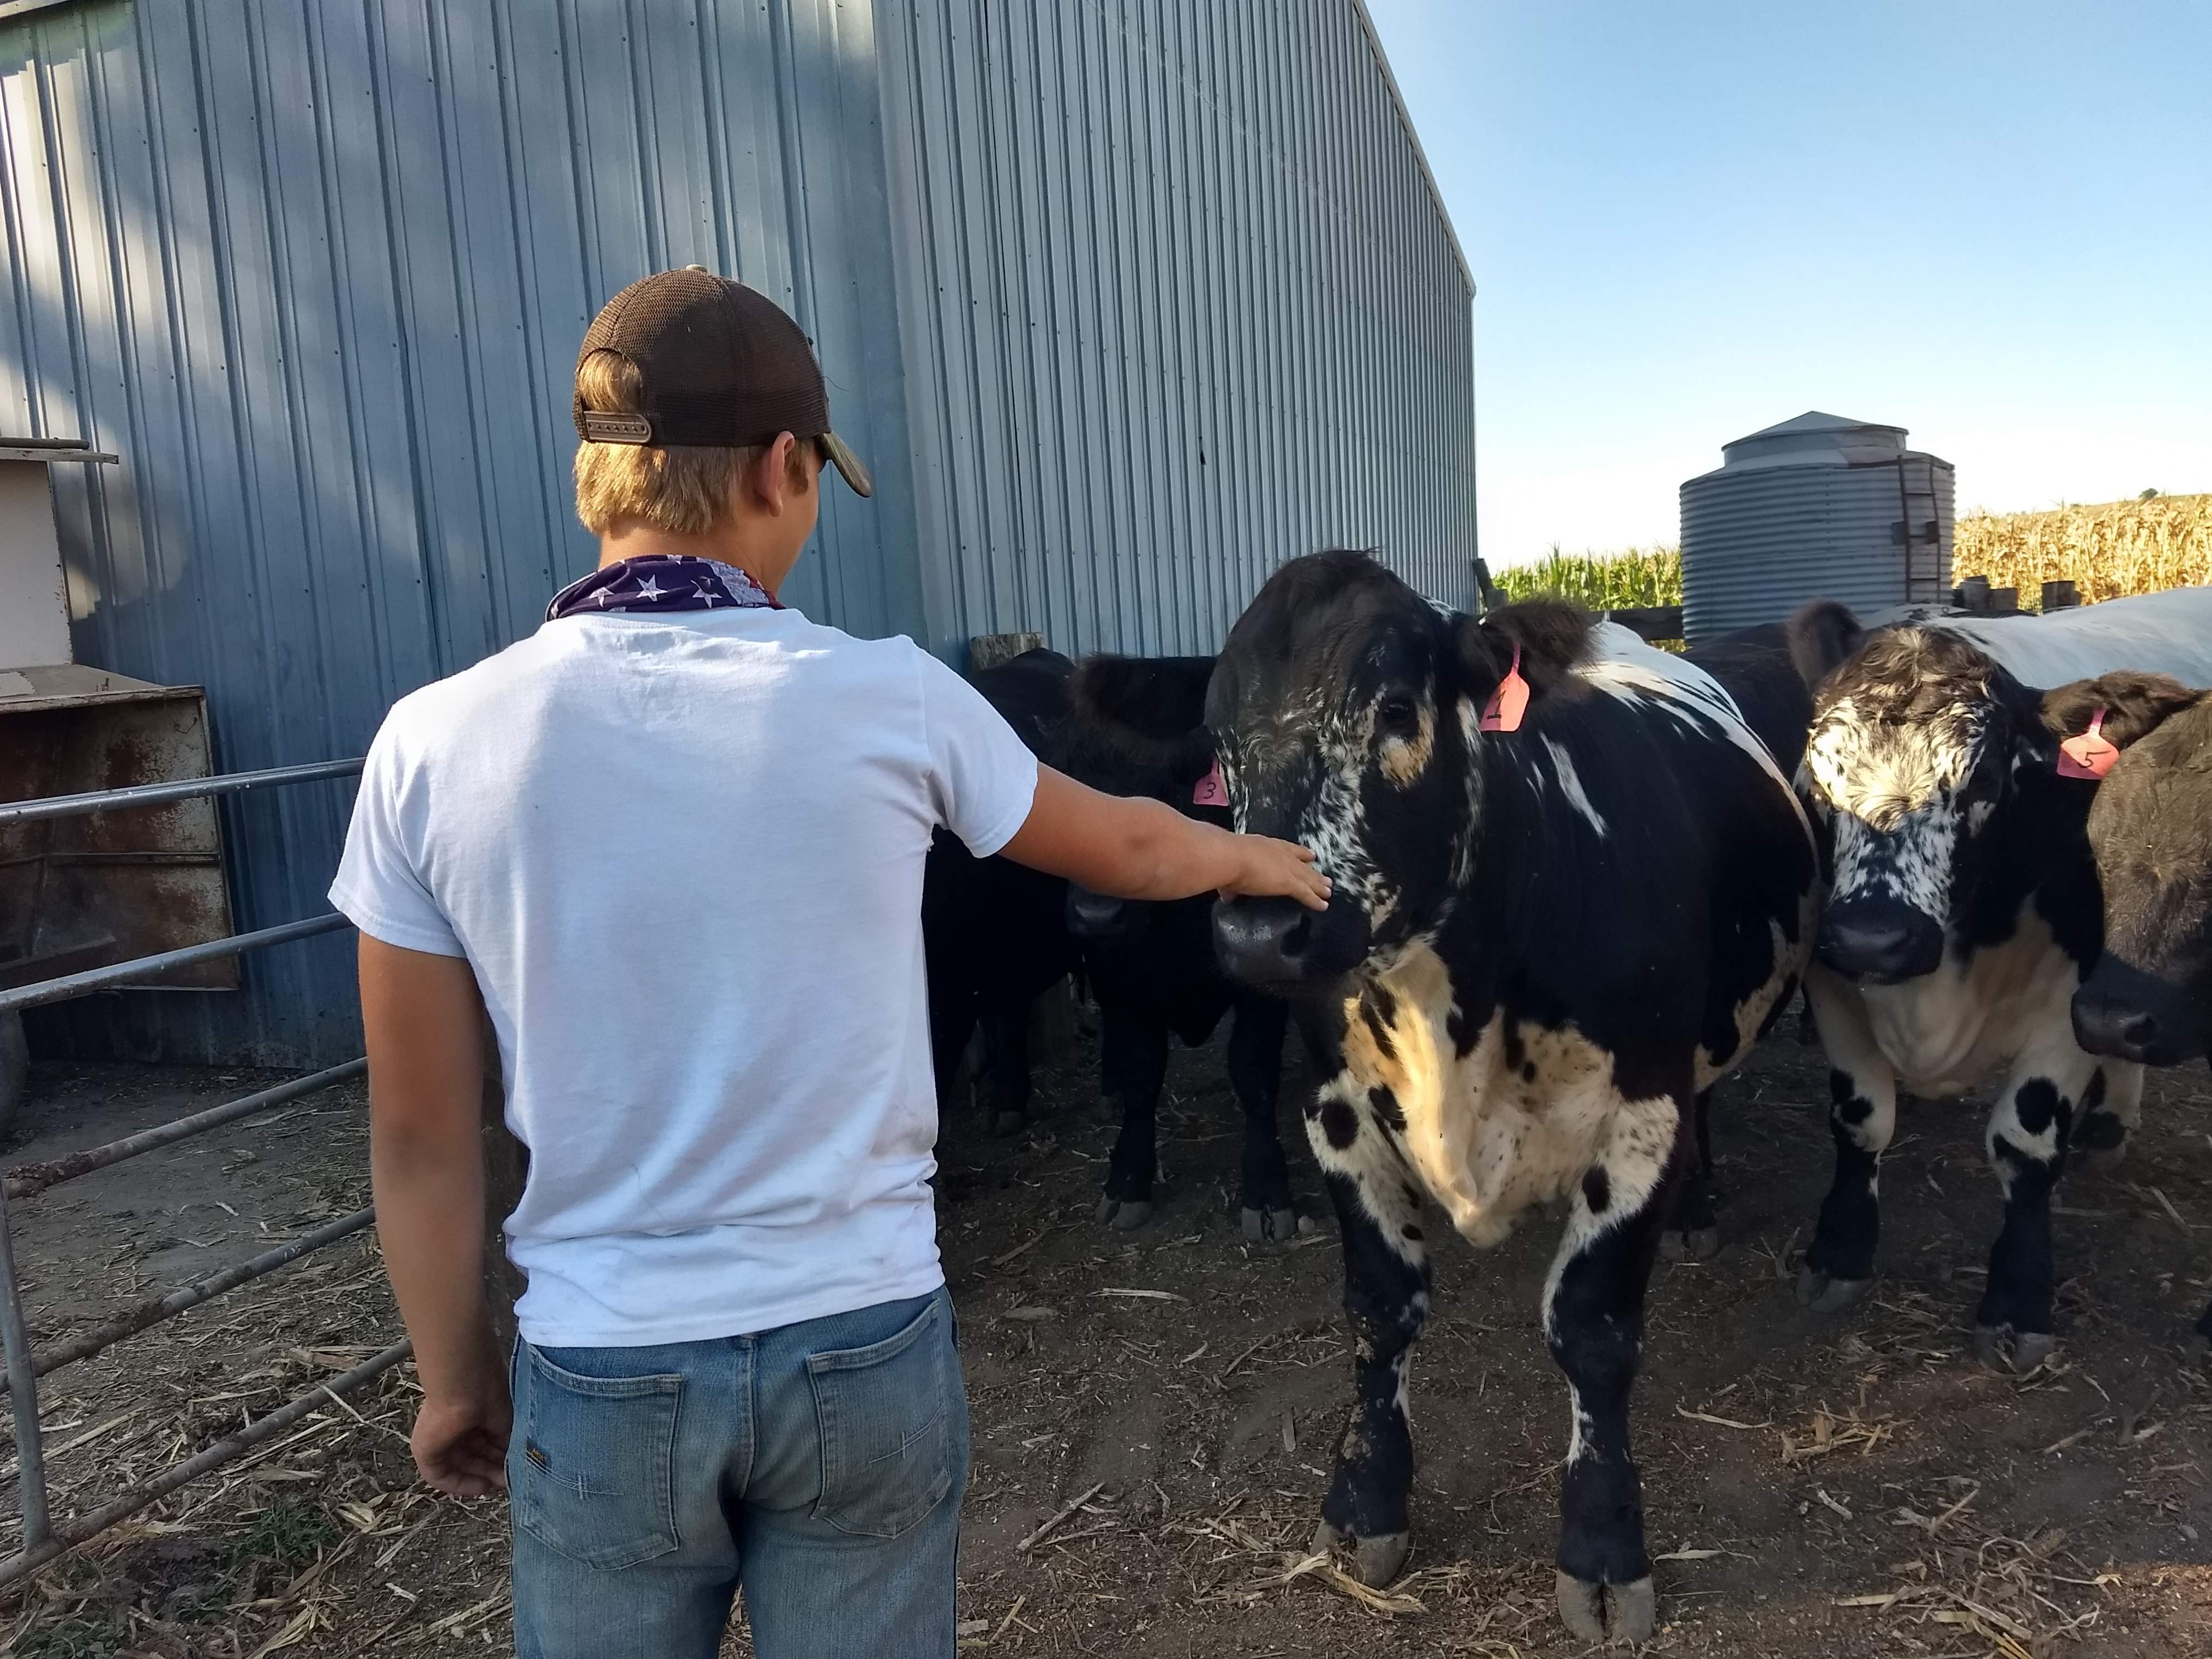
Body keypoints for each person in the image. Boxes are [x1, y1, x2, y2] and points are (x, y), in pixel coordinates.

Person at [330, 267, 1327, 1659]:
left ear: (596, 477)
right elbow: (1128, 846)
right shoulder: (894, 698)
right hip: (859, 1345)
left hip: (604, 1367)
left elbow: (423, 1129)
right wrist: (1262, 857)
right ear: (782, 469)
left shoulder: (432, 744)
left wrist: (452, 1379)